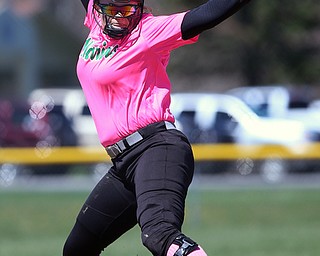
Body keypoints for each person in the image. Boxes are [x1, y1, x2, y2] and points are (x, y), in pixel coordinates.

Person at [63, 0, 251, 255]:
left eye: (127, 9)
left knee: (159, 233)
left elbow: (206, 15)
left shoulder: (148, 32)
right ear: (98, 9)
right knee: (78, 248)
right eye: (112, 10)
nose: (120, 16)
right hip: (123, 164)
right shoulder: (96, 26)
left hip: (157, 148)